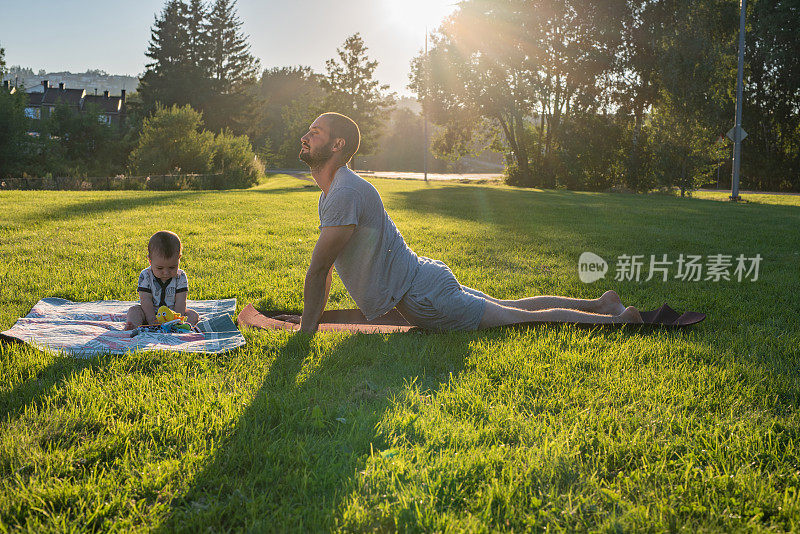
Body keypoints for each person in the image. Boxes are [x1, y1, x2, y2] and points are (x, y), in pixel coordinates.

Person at [297, 112, 642, 334]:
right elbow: (322, 269)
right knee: (513, 308)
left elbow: (319, 269)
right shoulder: (336, 192)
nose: (306, 136)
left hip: (425, 297)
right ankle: (602, 305)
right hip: (425, 281)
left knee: (520, 320)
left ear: (337, 144)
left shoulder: (345, 191)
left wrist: (306, 331)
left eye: (315, 132)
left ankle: (617, 321)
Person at [124, 230, 199, 330]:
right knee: (134, 311)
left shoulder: (181, 276)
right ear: (150, 261)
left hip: (173, 315)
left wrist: (176, 319)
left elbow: (181, 301)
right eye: (160, 268)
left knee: (193, 315)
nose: (166, 272)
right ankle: (134, 326)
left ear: (179, 259)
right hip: (149, 314)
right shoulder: (145, 275)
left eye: (172, 267)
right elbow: (145, 300)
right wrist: (151, 319)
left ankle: (179, 328)